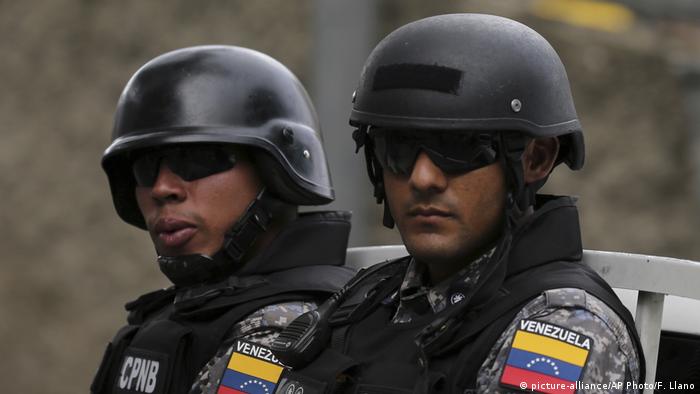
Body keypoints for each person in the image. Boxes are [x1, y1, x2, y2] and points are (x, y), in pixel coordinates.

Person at [270, 14, 645, 393]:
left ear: (535, 159)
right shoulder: (365, 298)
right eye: (397, 149)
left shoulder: (564, 327)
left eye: (459, 148)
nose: (422, 179)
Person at [90, 45, 355, 394]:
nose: (162, 187)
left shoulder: (288, 332)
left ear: (274, 173)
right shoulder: (178, 314)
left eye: (197, 160)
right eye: (145, 167)